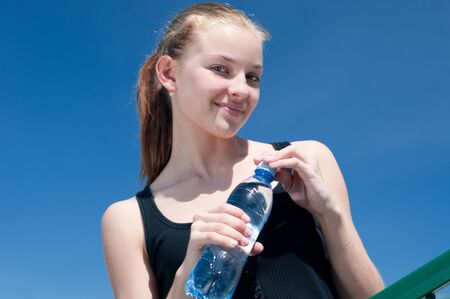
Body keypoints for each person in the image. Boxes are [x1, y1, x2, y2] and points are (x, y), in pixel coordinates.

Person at [102, 3, 384, 298]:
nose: (241, 89)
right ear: (169, 74)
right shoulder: (128, 220)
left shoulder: (309, 160)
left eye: (252, 76)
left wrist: (331, 218)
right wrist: (188, 271)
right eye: (220, 69)